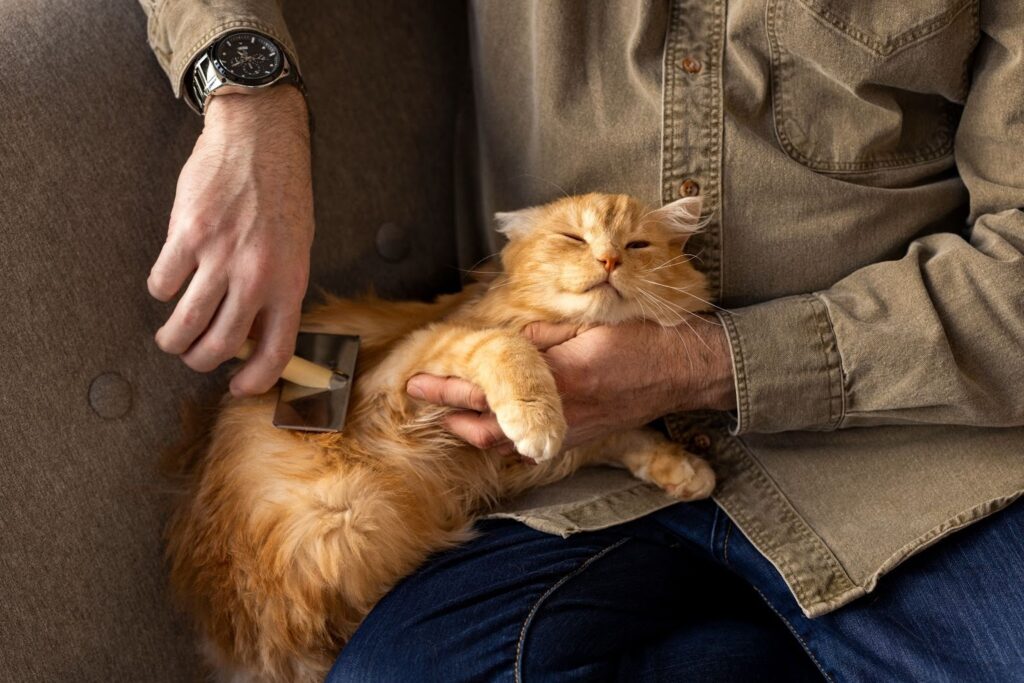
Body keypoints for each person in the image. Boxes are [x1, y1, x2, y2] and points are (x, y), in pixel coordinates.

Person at [140, 2, 1024, 680]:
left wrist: (699, 364)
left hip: (900, 451)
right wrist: (251, 103)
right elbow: (325, 380)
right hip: (570, 495)